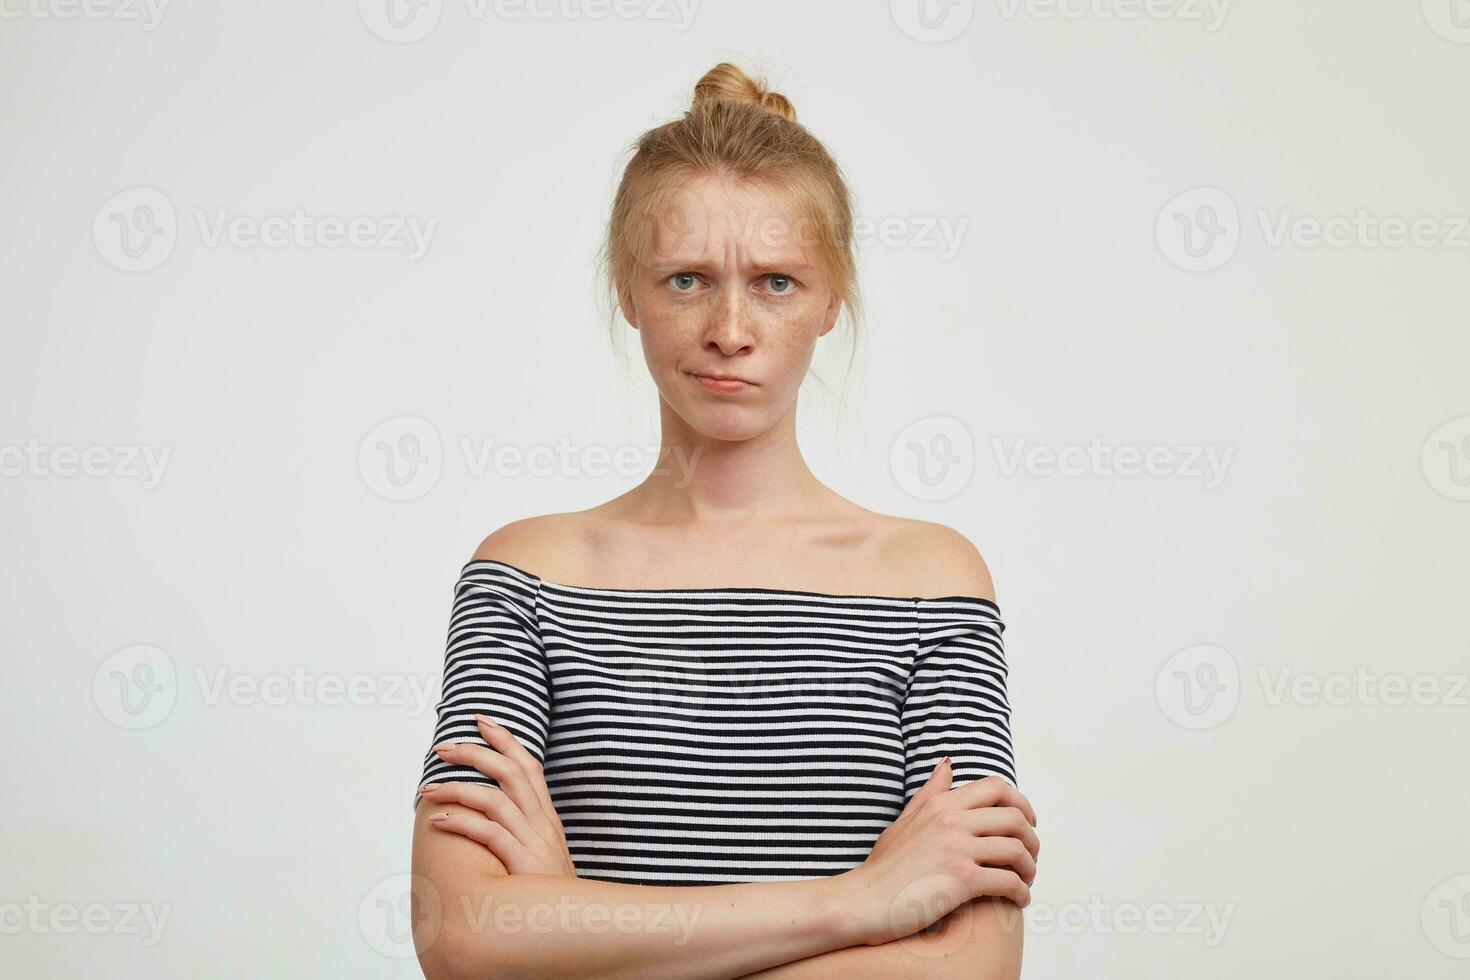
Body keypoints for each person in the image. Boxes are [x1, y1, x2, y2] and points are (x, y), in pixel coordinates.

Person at [408, 62, 1040, 979]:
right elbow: (458, 937)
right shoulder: (526, 574)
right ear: (628, 291)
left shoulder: (932, 581)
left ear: (832, 299)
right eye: (687, 280)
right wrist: (857, 900)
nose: (731, 329)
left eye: (777, 282)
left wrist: (578, 932)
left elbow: (972, 965)